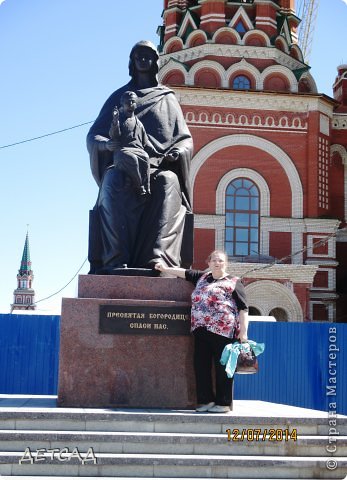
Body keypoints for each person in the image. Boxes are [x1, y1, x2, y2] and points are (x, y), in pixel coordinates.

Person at [87, 40, 193, 274]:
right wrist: (107, 145)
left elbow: (185, 139)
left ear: (156, 62)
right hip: (123, 165)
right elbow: (94, 136)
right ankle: (115, 260)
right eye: (138, 56)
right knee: (113, 182)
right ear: (132, 62)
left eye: (148, 56)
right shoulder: (118, 98)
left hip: (158, 166)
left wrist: (178, 152)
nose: (143, 60)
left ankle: (159, 259)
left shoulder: (167, 98)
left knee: (169, 182)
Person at [155, 250, 249, 413]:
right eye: (213, 260)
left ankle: (223, 403)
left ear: (226, 263)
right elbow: (183, 272)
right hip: (201, 330)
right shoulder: (202, 277)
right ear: (208, 263)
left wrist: (244, 332)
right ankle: (205, 401)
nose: (217, 263)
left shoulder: (234, 281)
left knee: (223, 368)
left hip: (224, 332)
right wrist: (164, 269)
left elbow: (243, 308)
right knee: (201, 367)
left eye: (220, 260)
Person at [109, 91, 161, 195]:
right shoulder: (120, 119)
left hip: (138, 150)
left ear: (136, 104)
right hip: (122, 151)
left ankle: (147, 187)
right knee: (131, 159)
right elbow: (114, 135)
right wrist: (115, 121)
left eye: (133, 101)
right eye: (127, 102)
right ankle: (139, 185)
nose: (130, 104)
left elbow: (146, 143)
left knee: (145, 157)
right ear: (123, 104)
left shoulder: (139, 123)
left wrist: (159, 153)